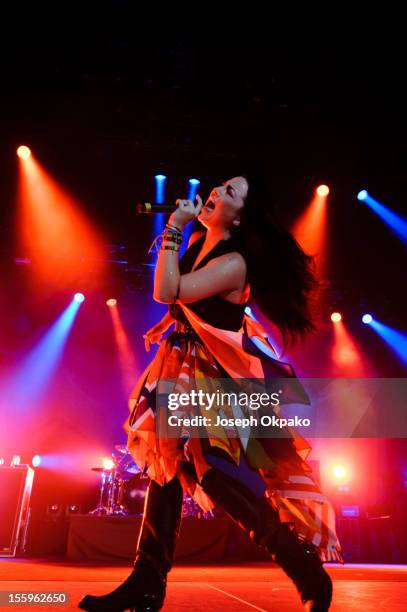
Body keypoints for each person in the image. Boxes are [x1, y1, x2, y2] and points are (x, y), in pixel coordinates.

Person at [79, 175, 343, 612]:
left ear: (240, 219)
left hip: (215, 380)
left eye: (232, 193)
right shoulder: (200, 241)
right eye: (222, 186)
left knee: (211, 474)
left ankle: (301, 565)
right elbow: (171, 297)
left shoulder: (235, 261)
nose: (217, 192)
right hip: (181, 369)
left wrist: (173, 228)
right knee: (166, 469)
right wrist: (181, 234)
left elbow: (167, 291)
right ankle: (148, 579)